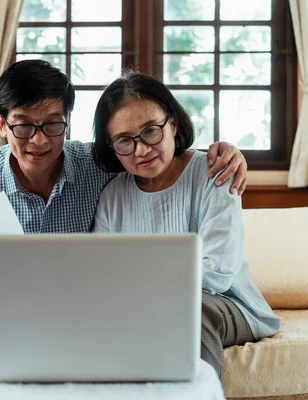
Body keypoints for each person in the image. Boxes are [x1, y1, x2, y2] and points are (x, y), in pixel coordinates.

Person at [0, 60, 250, 361]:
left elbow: (151, 154)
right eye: (24, 126)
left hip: (70, 300)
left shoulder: (98, 167)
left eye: (52, 124)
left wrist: (223, 151)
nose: (39, 139)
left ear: (68, 122)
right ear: (2, 124)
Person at [91, 70, 280, 380]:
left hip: (224, 304)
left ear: (173, 124)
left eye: (151, 131)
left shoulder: (214, 173)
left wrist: (143, 297)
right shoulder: (113, 194)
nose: (141, 149)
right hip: (143, 307)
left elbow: (216, 273)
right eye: (124, 140)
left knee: (191, 307)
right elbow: (105, 272)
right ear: (112, 146)